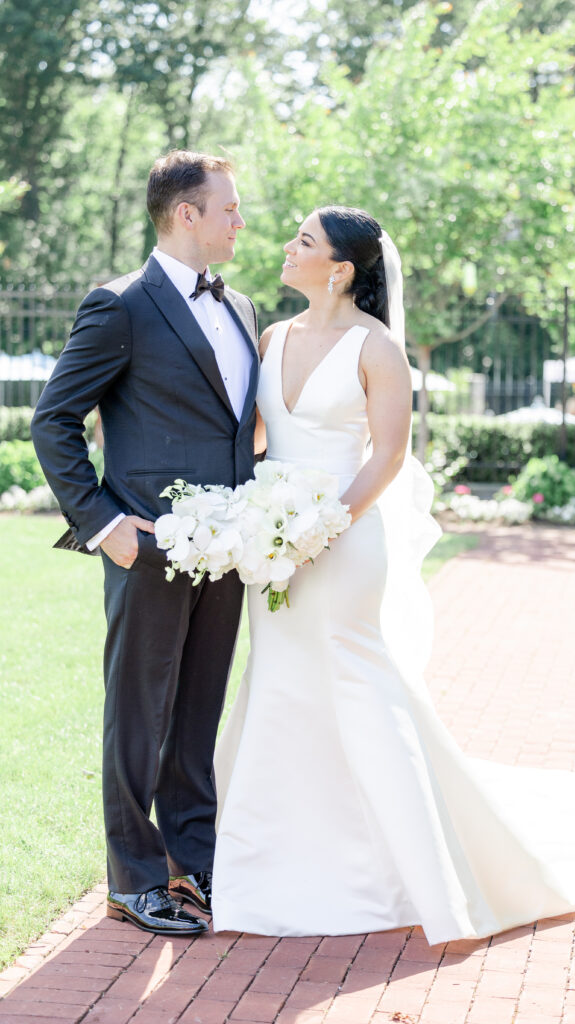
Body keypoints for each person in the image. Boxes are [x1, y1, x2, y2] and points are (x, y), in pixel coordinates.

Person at [211, 206, 575, 943]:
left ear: (340, 270)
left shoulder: (377, 347)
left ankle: (419, 869)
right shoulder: (272, 335)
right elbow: (261, 437)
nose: (285, 249)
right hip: (273, 537)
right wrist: (251, 515)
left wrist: (319, 527)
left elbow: (386, 456)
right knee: (279, 676)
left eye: (302, 241)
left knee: (359, 678)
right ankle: (271, 855)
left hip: (343, 536)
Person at [31, 150, 259, 937]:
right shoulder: (120, 305)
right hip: (147, 545)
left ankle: (195, 864)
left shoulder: (243, 308)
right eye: (227, 207)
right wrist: (101, 524)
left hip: (229, 549)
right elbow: (53, 419)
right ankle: (133, 877)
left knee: (197, 714)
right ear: (185, 213)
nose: (239, 219)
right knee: (138, 715)